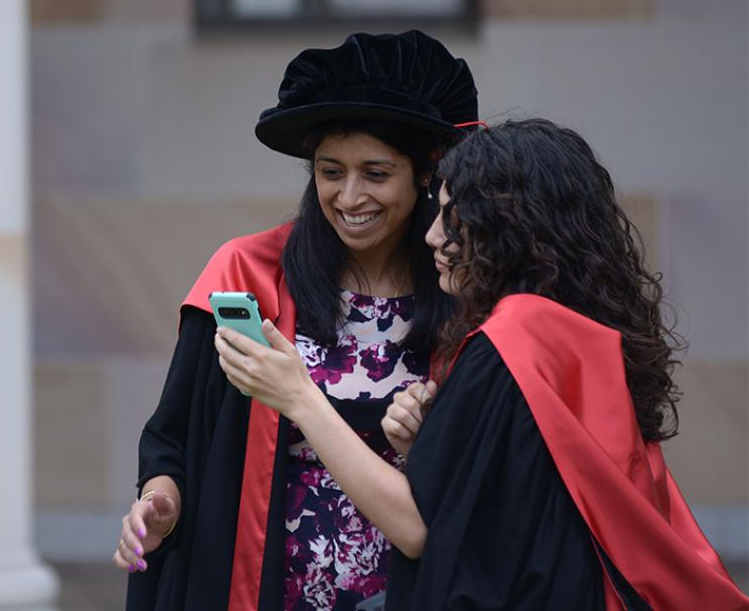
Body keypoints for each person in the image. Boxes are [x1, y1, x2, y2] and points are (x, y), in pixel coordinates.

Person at [216, 119, 749, 609]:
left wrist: (299, 398)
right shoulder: (576, 333)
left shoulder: (505, 347)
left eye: (453, 218)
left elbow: (420, 526)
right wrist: (426, 450)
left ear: (511, 230)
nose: (432, 237)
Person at [113, 31, 479, 611]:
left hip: (415, 587)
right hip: (264, 587)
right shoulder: (248, 274)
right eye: (331, 171)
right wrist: (162, 501)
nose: (350, 196)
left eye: (376, 173)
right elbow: (171, 437)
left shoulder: (461, 292)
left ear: (426, 172)